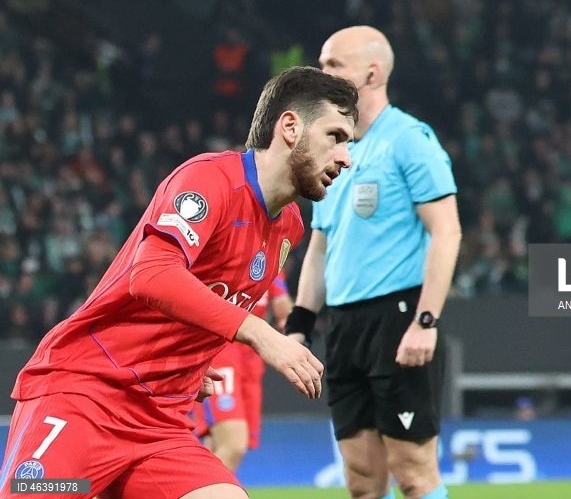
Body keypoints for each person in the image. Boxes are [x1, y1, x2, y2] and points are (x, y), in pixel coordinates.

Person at [0, 66, 358, 499]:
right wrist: (261, 335)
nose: (345, 157)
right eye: (335, 137)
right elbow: (152, 275)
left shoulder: (289, 228)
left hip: (158, 424)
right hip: (85, 396)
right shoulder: (210, 179)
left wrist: (187, 357)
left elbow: (205, 296)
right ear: (289, 126)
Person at [285, 27, 462, 499]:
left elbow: (447, 230)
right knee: (361, 479)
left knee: (413, 471)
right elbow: (321, 245)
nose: (322, 73)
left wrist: (426, 321)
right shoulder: (331, 149)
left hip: (398, 318)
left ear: (372, 72)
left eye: (333, 64)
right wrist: (300, 325)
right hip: (343, 325)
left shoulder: (409, 139)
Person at [191, 273, 293, 471]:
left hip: (251, 359)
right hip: (219, 350)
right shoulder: (227, 249)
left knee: (219, 446)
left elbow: (282, 308)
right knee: (233, 445)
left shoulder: (273, 259)